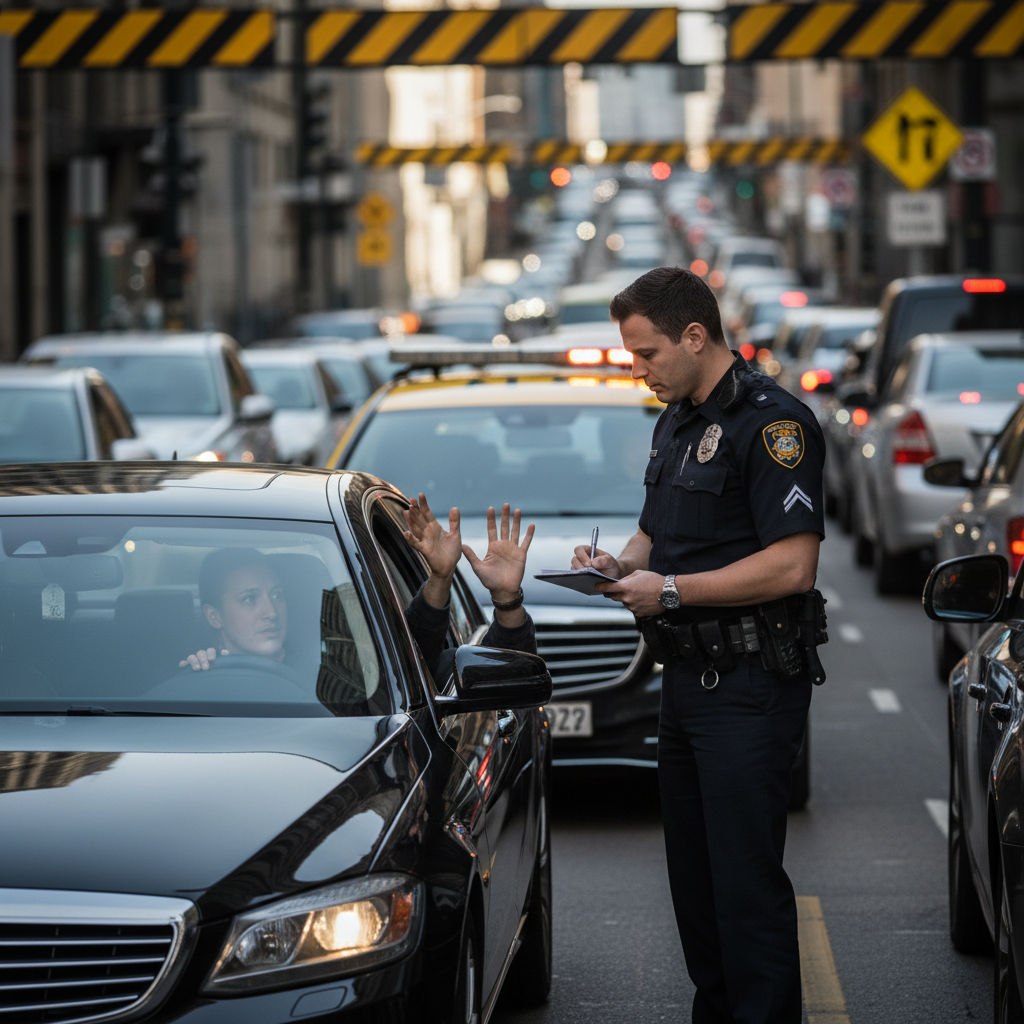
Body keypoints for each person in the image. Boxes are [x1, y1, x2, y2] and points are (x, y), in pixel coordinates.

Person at [571, 266, 826, 1024]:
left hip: (749, 686)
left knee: (745, 890)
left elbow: (793, 563)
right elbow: (658, 534)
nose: (637, 369)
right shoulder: (677, 419)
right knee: (697, 890)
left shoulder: (774, 424)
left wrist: (673, 592)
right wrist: (617, 567)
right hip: (683, 685)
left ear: (694, 335)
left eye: (646, 354)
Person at [180, 497, 536, 677]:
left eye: (277, 595)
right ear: (213, 616)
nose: (270, 611)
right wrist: (199, 680)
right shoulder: (197, 677)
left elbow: (415, 660)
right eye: (248, 599)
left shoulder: (351, 677)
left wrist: (502, 597)